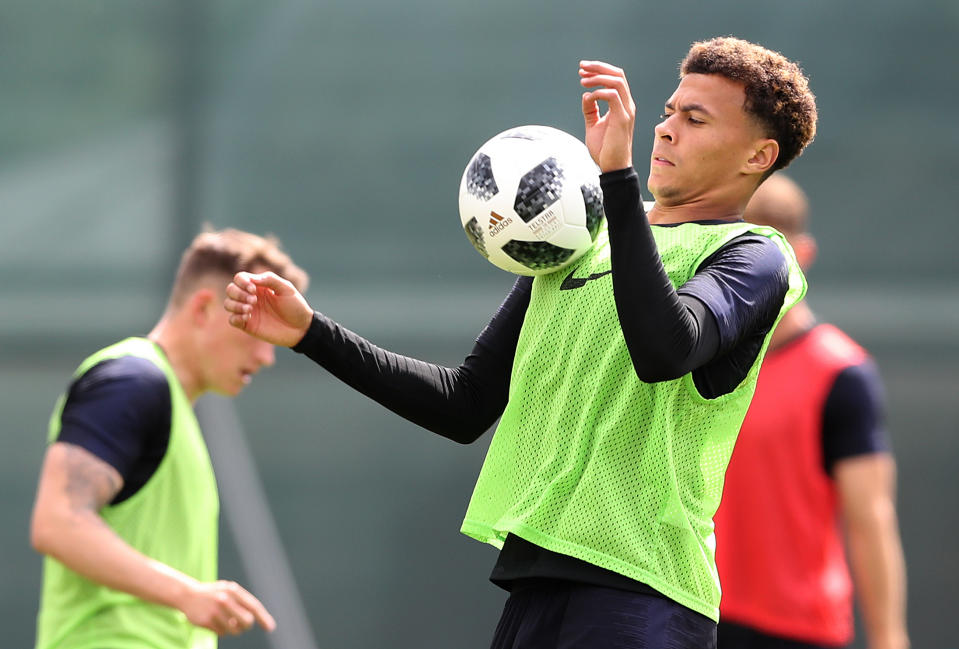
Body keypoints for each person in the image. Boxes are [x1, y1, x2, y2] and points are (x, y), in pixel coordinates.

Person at [224, 36, 816, 648]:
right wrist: (310, 333)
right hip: (534, 584)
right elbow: (465, 403)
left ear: (758, 155)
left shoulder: (755, 255)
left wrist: (616, 177)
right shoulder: (584, 235)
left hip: (645, 597)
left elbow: (663, 351)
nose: (666, 131)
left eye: (695, 119)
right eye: (668, 112)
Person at [30, 228, 308, 649]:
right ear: (203, 308)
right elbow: (58, 522)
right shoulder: (132, 382)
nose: (267, 355)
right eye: (256, 329)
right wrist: (187, 595)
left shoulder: (173, 407)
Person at [714, 174, 910, 649]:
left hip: (796, 629)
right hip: (696, 614)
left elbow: (871, 518)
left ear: (803, 255)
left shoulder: (840, 374)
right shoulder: (697, 357)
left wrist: (888, 638)